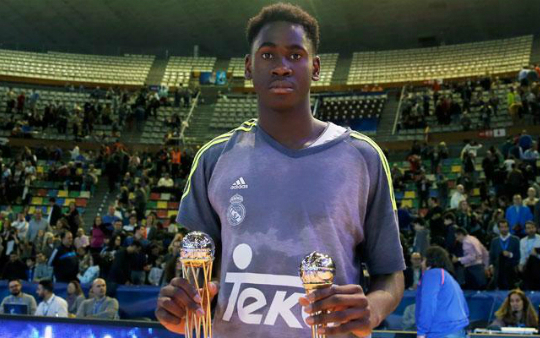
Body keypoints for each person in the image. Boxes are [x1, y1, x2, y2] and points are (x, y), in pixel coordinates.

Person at [156, 4, 405, 337]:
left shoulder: (362, 156)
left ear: (315, 68)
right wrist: (180, 298)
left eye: (296, 55)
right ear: (249, 66)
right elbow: (197, 264)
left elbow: (390, 274)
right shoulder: (215, 158)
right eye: (268, 55)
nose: (282, 67)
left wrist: (373, 309)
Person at [416, 246, 469, 338]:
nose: (421, 264)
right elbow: (464, 307)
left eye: (423, 260)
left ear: (429, 261)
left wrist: (421, 332)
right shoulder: (449, 278)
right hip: (459, 331)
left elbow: (428, 303)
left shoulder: (432, 274)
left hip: (441, 332)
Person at [489, 220, 521, 290]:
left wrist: (510, 254)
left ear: (508, 227)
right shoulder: (494, 241)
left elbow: (518, 255)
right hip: (497, 268)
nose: (504, 229)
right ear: (499, 228)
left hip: (511, 266)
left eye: (505, 227)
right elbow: (491, 255)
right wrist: (491, 265)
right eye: (502, 227)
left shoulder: (515, 239)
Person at [519, 221, 540, 290]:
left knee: (532, 258)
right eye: (528, 228)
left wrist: (536, 254)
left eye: (532, 228)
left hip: (538, 262)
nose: (531, 230)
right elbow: (522, 255)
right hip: (527, 264)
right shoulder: (522, 241)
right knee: (527, 263)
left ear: (535, 228)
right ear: (525, 230)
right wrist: (521, 264)